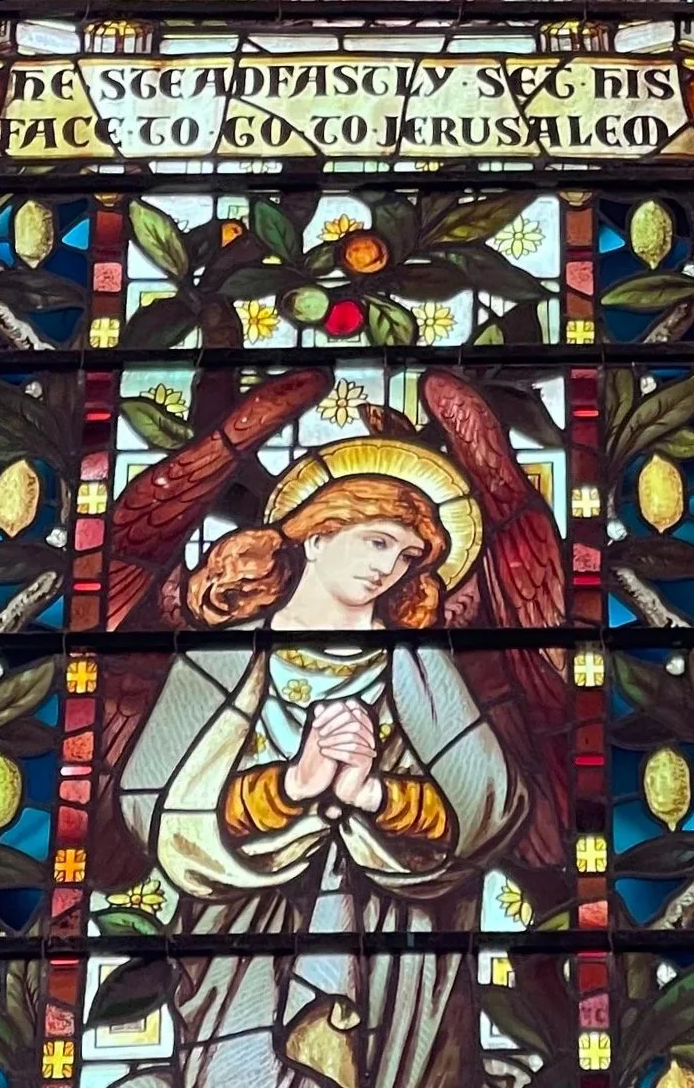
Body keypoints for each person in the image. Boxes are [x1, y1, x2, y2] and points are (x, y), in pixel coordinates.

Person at [120, 437, 522, 1088]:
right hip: (239, 919)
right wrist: (291, 785)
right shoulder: (218, 658)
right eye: (377, 541)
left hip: (394, 932)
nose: (390, 567)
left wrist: (372, 796)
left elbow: (484, 806)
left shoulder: (421, 669)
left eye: (407, 555)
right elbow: (151, 804)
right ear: (315, 535)